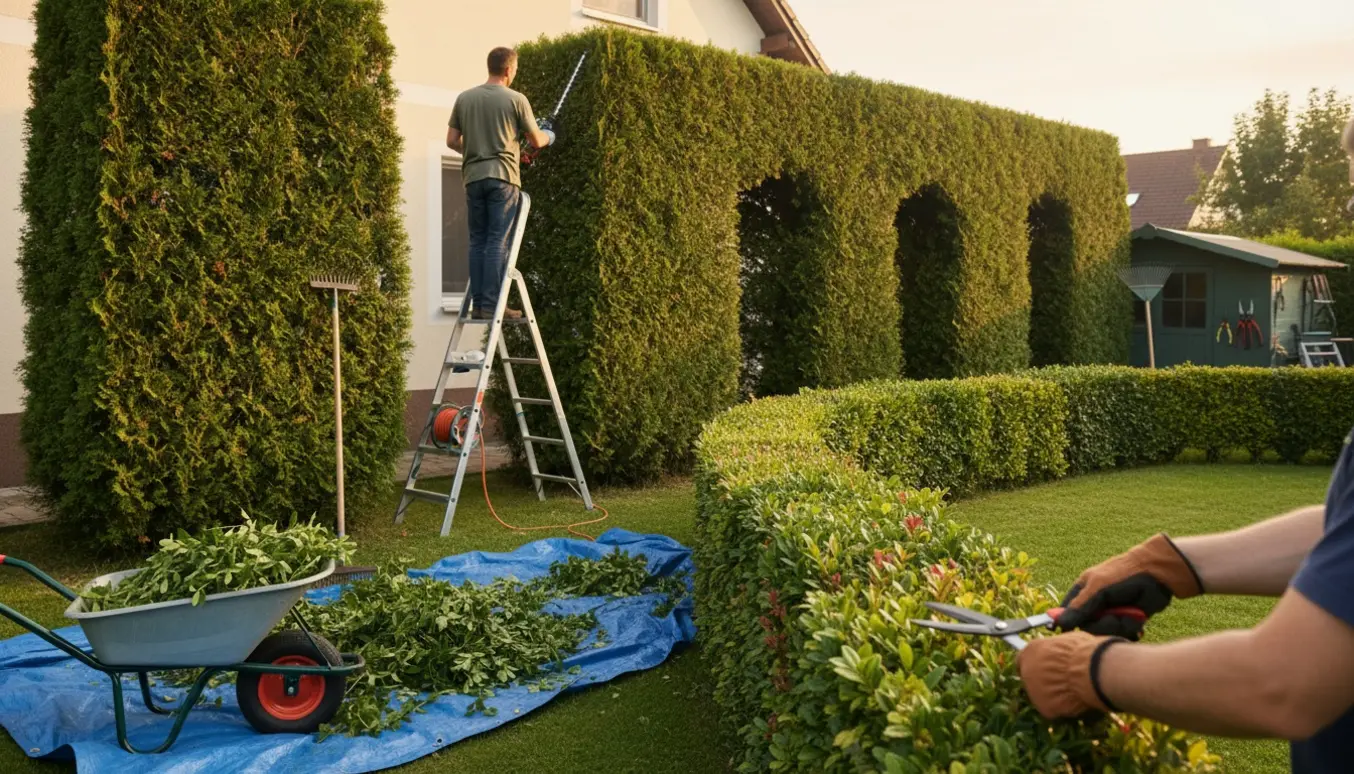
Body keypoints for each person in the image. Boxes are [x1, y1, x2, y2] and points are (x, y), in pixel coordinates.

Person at [447, 47, 554, 320]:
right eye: (515, 69)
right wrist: (550, 135)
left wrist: (476, 153)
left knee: (477, 241)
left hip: (473, 179)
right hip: (503, 178)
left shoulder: (465, 98)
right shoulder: (515, 99)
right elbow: (536, 140)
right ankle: (494, 306)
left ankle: (481, 304)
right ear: (508, 70)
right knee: (497, 241)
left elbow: (451, 141)